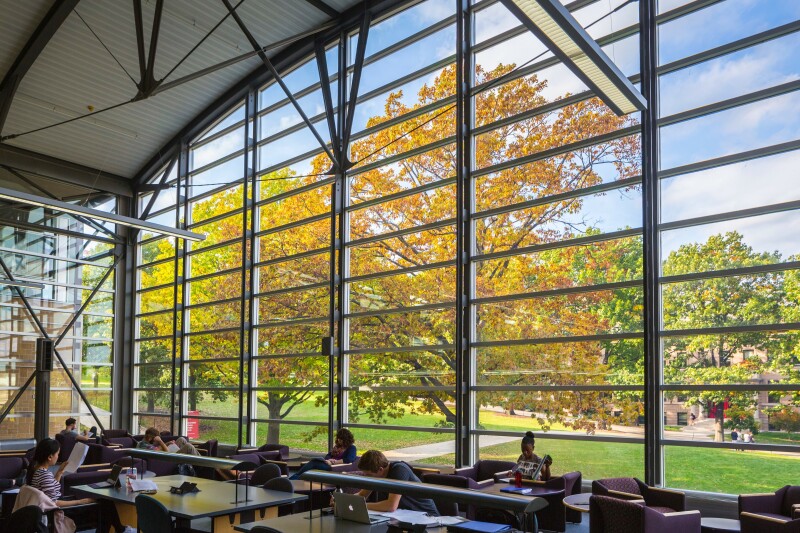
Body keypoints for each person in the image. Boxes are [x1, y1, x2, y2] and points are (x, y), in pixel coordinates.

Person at [27, 438, 133, 533]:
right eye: (57, 454)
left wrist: (59, 472)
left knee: (105, 503)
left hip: (55, 509)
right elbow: (54, 503)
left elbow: (52, 491)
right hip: (59, 513)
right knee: (105, 506)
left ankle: (121, 529)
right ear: (50, 456)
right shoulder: (44, 475)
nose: (58, 456)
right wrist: (81, 501)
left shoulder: (37, 471)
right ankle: (121, 529)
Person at [346, 450, 439, 515]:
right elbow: (362, 495)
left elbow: (391, 505)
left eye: (368, 475)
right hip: (405, 517)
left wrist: (359, 505)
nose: (366, 478)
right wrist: (345, 501)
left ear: (380, 469)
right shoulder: (376, 475)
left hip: (427, 517)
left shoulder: (399, 470)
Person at [290, 428, 356, 480]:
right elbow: (328, 455)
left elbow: (349, 459)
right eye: (338, 439)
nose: (339, 441)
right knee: (313, 463)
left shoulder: (351, 448)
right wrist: (328, 460)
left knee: (314, 462)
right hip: (328, 463)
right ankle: (296, 477)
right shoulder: (337, 447)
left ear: (346, 439)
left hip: (335, 467)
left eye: (341, 439)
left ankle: (294, 478)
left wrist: (333, 462)